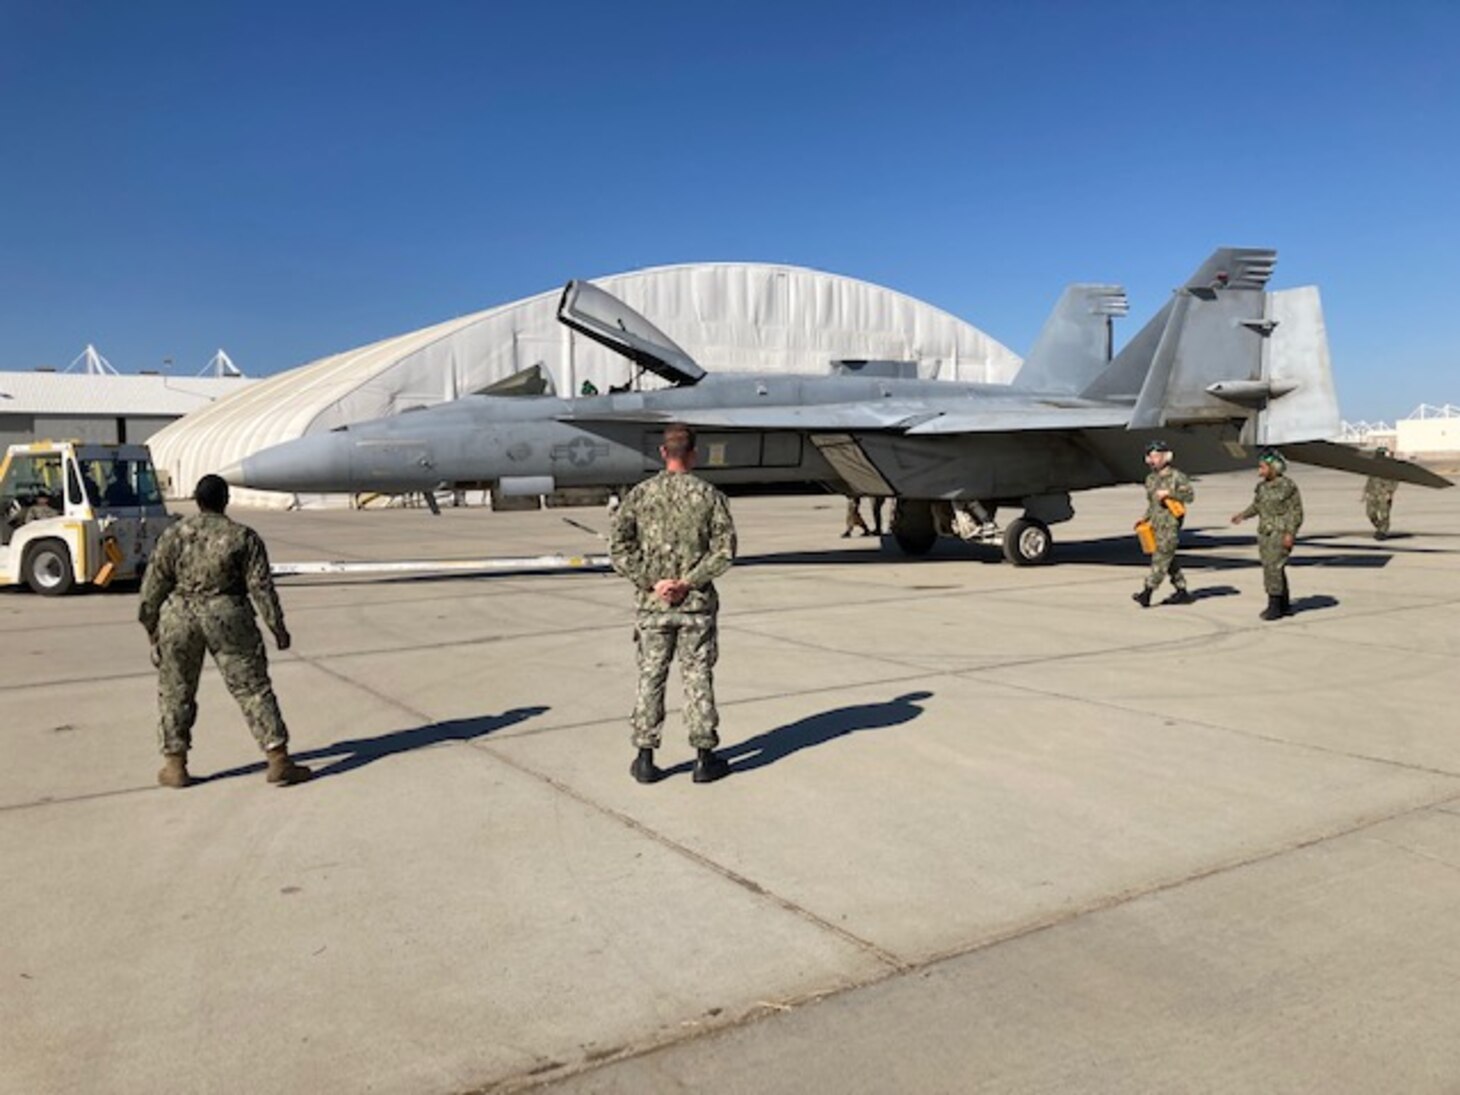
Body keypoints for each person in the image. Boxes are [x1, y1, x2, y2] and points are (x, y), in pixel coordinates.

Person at [138, 474, 312, 788]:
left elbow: (153, 585)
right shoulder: (243, 537)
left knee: (176, 690)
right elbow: (261, 588)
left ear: (196, 499)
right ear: (226, 499)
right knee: (252, 689)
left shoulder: (175, 534)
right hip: (228, 615)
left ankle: (175, 765)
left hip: (179, 617)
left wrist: (151, 625)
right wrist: (277, 627)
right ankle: (277, 757)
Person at [609, 425, 737, 784]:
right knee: (697, 676)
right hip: (695, 607)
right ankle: (703, 757)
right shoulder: (709, 496)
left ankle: (645, 757)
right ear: (694, 454)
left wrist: (654, 582)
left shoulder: (640, 495)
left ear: (664, 453)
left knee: (651, 675)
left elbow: (619, 548)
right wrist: (689, 582)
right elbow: (724, 552)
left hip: (654, 608)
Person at [1230, 449, 1304, 621]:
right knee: (1274, 568)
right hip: (1265, 533)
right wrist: (1242, 515)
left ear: (1274, 467)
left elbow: (1296, 513)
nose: (1259, 471)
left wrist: (1290, 534)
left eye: (1263, 467)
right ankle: (1284, 604)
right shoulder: (1262, 487)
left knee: (1273, 568)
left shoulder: (1288, 486)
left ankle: (1274, 606)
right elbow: (1257, 506)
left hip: (1280, 532)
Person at [1132, 440, 1195, 607]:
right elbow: (1152, 504)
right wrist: (1145, 518)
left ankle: (1147, 593)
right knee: (1168, 559)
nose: (1152, 460)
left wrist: (1170, 493)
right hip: (1156, 525)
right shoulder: (1151, 479)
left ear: (1166, 457)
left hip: (1171, 525)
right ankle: (1182, 592)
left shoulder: (1177, 477)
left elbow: (1190, 496)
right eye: (1150, 457)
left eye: (1156, 456)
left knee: (1160, 559)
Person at [1363, 446, 1398, 540]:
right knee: (1370, 513)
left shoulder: (1392, 467)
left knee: (1384, 514)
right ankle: (1379, 528)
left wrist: (1390, 492)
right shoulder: (1374, 466)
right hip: (1373, 492)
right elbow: (1370, 480)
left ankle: (1383, 532)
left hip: (1384, 493)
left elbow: (1394, 481)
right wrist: (1366, 492)